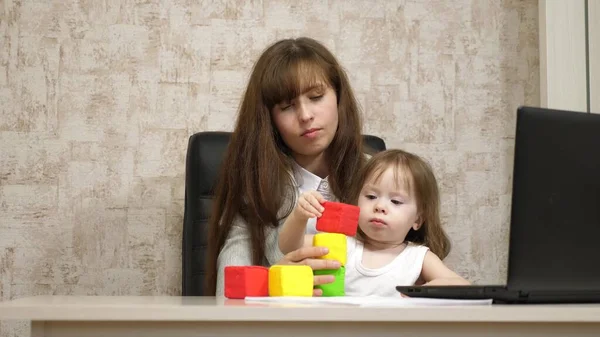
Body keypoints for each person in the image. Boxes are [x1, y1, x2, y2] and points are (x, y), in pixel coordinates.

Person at [204, 37, 371, 296]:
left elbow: (414, 269)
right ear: (269, 119)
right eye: (287, 106)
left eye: (316, 97)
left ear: (339, 97)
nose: (305, 115)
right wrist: (274, 282)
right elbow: (228, 298)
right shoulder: (253, 187)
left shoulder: (378, 177)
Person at [278, 149, 470, 297]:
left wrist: (427, 291)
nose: (379, 206)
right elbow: (289, 247)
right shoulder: (343, 244)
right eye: (371, 196)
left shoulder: (417, 257)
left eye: (395, 201)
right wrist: (299, 216)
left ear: (418, 220)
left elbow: (462, 286)